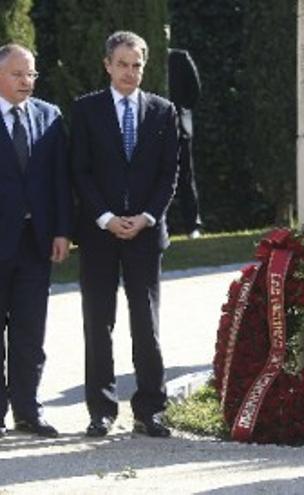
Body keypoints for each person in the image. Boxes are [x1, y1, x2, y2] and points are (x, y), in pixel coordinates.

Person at [71, 31, 179, 438]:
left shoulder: (162, 111)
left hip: (146, 234)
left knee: (145, 324)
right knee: (99, 322)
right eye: (122, 64)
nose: (129, 73)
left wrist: (148, 216)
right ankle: (101, 410)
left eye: (137, 65)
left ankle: (150, 409)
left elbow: (170, 173)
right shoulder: (85, 110)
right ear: (107, 65)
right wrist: (105, 217)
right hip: (100, 234)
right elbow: (79, 170)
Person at [0, 44, 72, 439]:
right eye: (17, 74)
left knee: (30, 331)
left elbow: (60, 180)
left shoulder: (49, 117)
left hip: (36, 243)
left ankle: (28, 410)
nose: (26, 82)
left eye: (31, 75)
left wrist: (62, 230)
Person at [167, 46, 202, 237]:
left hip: (179, 127)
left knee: (185, 177)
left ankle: (192, 225)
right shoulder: (139, 61)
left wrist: (181, 112)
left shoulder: (179, 58)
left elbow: (194, 92)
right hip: (150, 128)